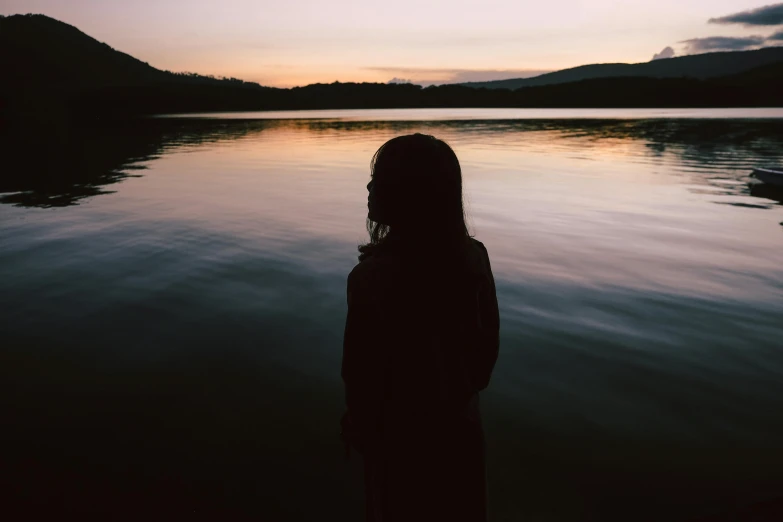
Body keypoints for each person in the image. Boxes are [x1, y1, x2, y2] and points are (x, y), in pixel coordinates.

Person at [341, 134, 500, 522]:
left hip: (400, 445)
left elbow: (361, 379)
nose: (369, 186)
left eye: (379, 177)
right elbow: (483, 364)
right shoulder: (473, 258)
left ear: (406, 191)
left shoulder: (371, 279)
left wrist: (360, 429)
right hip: (461, 435)